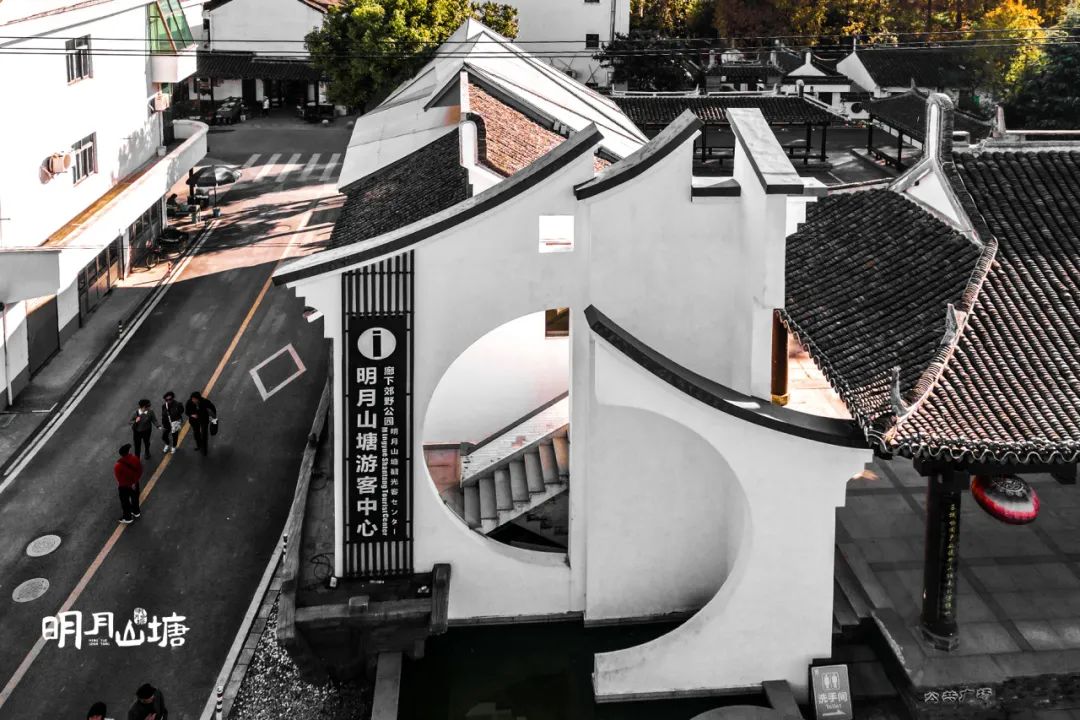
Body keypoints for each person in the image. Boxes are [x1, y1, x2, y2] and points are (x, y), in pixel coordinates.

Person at [114, 445, 142, 524]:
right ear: (128, 451)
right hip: (135, 483)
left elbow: (118, 477)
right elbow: (140, 470)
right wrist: (135, 481)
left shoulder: (118, 465)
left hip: (124, 486)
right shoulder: (135, 459)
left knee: (125, 501)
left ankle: (127, 517)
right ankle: (136, 511)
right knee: (135, 497)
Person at [185, 391, 217, 456]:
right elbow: (187, 412)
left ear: (198, 399)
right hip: (194, 420)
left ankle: (204, 450)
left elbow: (213, 409)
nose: (193, 400)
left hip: (204, 420)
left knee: (204, 435)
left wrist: (213, 417)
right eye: (192, 399)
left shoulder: (205, 402)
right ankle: (199, 446)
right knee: (196, 434)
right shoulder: (189, 402)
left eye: (195, 399)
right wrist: (192, 415)